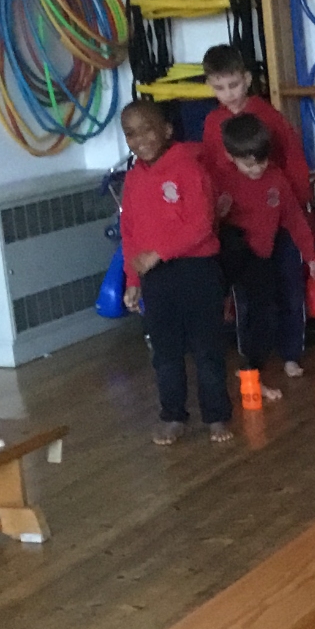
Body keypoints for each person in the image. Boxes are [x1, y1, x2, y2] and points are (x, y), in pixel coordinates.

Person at [117, 101, 234, 445]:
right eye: (131, 134)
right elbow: (129, 234)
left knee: (206, 348)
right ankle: (172, 415)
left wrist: (158, 254)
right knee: (165, 351)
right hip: (155, 277)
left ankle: (216, 416)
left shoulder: (188, 168)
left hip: (197, 271)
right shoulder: (133, 178)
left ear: (167, 130)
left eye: (147, 130)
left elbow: (201, 224)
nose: (140, 139)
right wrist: (133, 280)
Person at [217, 113, 315, 398]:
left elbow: (294, 218)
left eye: (261, 161)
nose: (257, 169)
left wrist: (310, 256)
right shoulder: (224, 181)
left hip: (261, 255)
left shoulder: (275, 178)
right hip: (234, 252)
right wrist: (218, 212)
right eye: (248, 164)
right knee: (240, 309)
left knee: (268, 308)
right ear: (231, 157)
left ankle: (256, 366)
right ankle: (246, 366)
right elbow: (208, 224)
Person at [200, 44, 312, 215]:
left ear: (247, 79)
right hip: (233, 208)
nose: (228, 94)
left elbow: (292, 157)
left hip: (269, 202)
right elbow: (211, 165)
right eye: (219, 88)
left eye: (234, 85)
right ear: (209, 85)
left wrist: (298, 201)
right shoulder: (212, 121)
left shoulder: (268, 115)